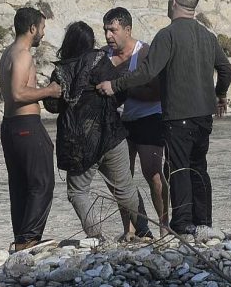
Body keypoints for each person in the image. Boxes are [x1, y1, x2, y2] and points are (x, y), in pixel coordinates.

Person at [96, 0, 231, 237]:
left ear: (173, 2)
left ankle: (182, 224)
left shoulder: (167, 35)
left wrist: (115, 85)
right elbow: (225, 70)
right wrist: (220, 94)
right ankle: (204, 223)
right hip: (204, 116)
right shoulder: (208, 36)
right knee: (199, 167)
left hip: (177, 116)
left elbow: (147, 72)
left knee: (179, 168)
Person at [44, 21, 151, 241]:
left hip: (78, 145)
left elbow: (52, 106)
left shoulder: (61, 70)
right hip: (111, 135)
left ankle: (98, 238)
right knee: (125, 189)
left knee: (78, 193)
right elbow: (119, 92)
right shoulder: (100, 61)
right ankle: (144, 230)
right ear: (90, 42)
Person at [102, 7, 172, 238]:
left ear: (127, 29)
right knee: (123, 178)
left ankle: (164, 224)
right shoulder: (103, 56)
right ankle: (130, 228)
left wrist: (121, 89)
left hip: (148, 117)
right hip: (119, 121)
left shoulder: (144, 53)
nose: (108, 36)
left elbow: (156, 92)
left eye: (113, 30)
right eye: (105, 30)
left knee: (152, 172)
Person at [0, 7, 62, 252]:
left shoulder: (8, 53)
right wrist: (49, 91)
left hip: (11, 127)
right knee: (42, 182)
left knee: (20, 184)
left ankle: (21, 237)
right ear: (32, 28)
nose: (43, 34)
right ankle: (28, 239)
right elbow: (17, 93)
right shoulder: (23, 54)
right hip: (25, 126)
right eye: (42, 28)